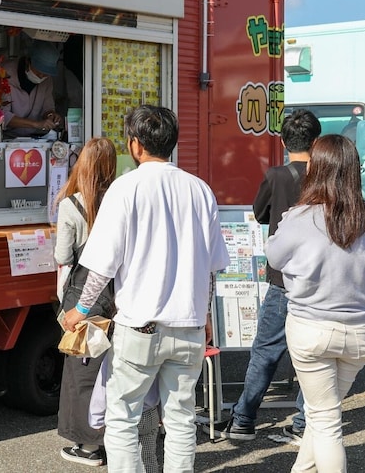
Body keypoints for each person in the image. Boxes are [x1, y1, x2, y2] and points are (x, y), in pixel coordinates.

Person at [62, 105, 229, 472]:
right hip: (188, 326)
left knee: (122, 418)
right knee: (182, 418)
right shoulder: (200, 191)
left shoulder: (125, 188)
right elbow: (211, 266)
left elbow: (101, 265)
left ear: (135, 145)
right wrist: (205, 317)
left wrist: (81, 310)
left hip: (140, 326)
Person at [265, 134, 365, 473]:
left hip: (310, 329)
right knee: (323, 412)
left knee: (325, 421)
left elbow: (274, 258)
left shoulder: (300, 216)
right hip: (358, 334)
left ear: (316, 168)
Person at [218, 109, 321, 444]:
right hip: (319, 278)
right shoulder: (326, 175)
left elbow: (259, 212)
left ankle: (244, 420)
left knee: (265, 351)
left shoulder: (277, 175)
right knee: (312, 356)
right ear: (316, 141)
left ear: (282, 141)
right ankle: (304, 423)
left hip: (281, 278)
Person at [53, 137, 118, 467]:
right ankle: (116, 438)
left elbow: (63, 255)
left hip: (82, 294)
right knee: (114, 369)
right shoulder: (119, 202)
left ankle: (89, 447)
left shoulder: (71, 205)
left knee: (83, 370)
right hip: (117, 293)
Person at [0, 38, 64, 137]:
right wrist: (36, 124)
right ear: (28, 61)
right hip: (7, 138)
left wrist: (51, 115)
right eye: (39, 71)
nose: (41, 76)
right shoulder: (4, 73)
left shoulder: (47, 79)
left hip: (36, 138)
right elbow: (1, 115)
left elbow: (47, 108)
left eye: (45, 74)